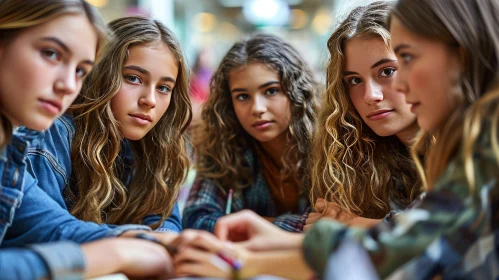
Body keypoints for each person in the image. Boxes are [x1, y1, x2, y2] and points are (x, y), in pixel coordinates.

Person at [173, 0, 499, 278]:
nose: (374, 94)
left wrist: (246, 262)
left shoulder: (481, 147)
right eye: (354, 80)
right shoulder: (371, 149)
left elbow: (397, 251)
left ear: (463, 54)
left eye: (397, 65)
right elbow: (394, 243)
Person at [0, 0, 173, 278]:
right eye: (52, 54)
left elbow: (56, 227)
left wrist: (163, 242)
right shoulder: (50, 137)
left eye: (81, 70)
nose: (69, 84)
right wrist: (115, 254)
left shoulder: (6, 152)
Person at [23, 15, 192, 234]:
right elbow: (50, 234)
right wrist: (146, 243)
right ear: (101, 74)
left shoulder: (154, 145)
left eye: (163, 88)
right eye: (133, 78)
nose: (149, 100)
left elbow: (163, 222)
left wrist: (163, 242)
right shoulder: (54, 134)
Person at [183, 33, 317, 232]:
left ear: (296, 91)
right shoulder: (225, 142)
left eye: (271, 91)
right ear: (230, 102)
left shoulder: (330, 143)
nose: (257, 108)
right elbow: (196, 218)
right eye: (243, 96)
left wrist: (241, 224)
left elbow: (337, 226)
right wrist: (290, 225)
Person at [306, 1, 421, 230]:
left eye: (387, 71)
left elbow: (438, 238)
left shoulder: (468, 145)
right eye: (355, 80)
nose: (370, 95)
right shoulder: (362, 156)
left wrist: (352, 224)